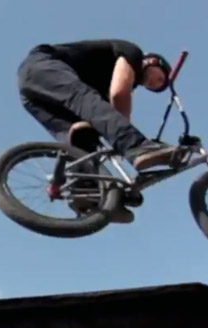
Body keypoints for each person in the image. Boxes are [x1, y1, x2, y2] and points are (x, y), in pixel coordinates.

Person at [16, 39, 179, 223]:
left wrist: (116, 130)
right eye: (159, 78)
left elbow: (106, 114)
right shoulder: (133, 53)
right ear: (152, 62)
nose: (154, 84)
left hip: (33, 96)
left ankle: (88, 195)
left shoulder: (104, 83)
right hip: (45, 66)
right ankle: (137, 147)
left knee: (83, 137)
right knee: (88, 101)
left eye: (155, 87)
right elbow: (119, 94)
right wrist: (127, 137)